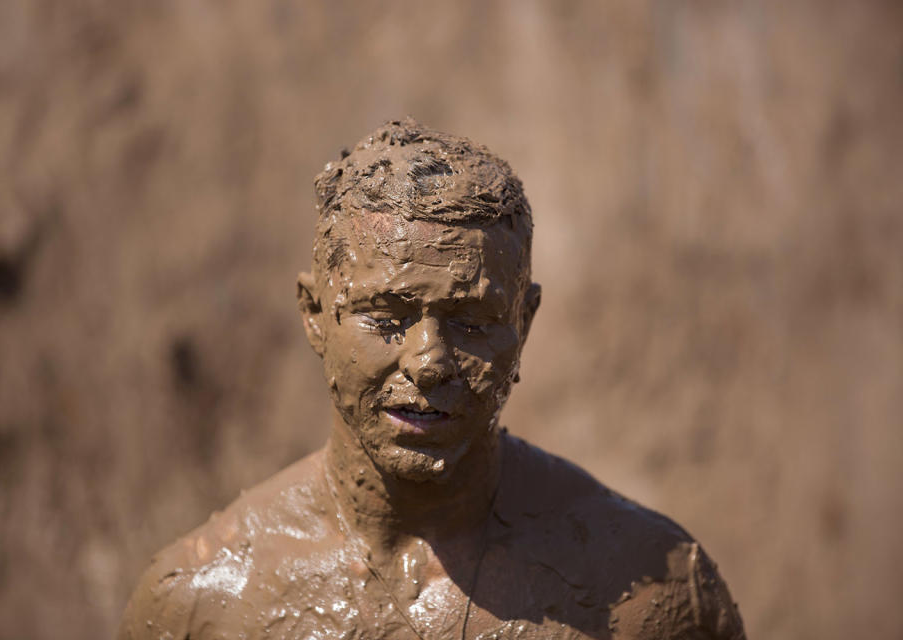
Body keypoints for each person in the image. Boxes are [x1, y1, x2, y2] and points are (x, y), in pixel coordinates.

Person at [118, 118, 746, 639]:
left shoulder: (648, 592)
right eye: (386, 317)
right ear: (314, 317)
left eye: (472, 322)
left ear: (523, 323)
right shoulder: (206, 605)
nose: (429, 361)